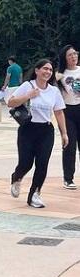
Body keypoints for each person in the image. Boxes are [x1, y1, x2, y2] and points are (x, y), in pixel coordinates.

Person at [8, 59, 68, 208]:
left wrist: (64, 133)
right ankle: (16, 177)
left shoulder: (54, 91)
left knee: (42, 164)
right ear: (37, 70)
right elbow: (11, 102)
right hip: (28, 129)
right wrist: (28, 95)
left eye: (50, 69)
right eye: (45, 69)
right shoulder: (28, 86)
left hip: (46, 131)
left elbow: (59, 112)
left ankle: (35, 194)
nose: (48, 72)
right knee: (26, 163)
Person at [56, 45, 80, 189]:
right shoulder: (60, 75)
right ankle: (68, 179)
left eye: (75, 54)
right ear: (64, 58)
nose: (73, 57)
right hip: (67, 112)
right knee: (69, 145)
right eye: (70, 55)